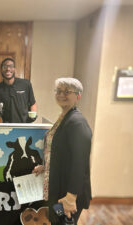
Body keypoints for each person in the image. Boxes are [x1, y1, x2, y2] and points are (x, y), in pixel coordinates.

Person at [32, 78, 92, 225]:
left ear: (78, 96)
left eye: (67, 91)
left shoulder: (77, 123)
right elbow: (61, 153)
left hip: (67, 194)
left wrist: (71, 198)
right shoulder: (64, 117)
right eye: (58, 91)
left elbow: (79, 162)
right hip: (59, 190)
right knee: (56, 221)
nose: (61, 94)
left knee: (62, 222)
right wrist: (46, 167)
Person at [0, 57, 37, 123]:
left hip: (24, 126)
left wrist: (32, 118)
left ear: (14, 69)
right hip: (7, 128)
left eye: (11, 66)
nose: (8, 69)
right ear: (1, 70)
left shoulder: (25, 84)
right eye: (5, 66)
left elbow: (33, 103)